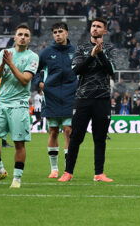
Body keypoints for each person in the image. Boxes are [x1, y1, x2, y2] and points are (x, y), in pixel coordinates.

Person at [59, 18, 117, 183]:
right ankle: (68, 172)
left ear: (105, 31)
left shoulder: (110, 49)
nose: (95, 29)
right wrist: (91, 56)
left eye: (99, 26)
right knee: (76, 136)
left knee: (100, 138)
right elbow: (76, 70)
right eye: (93, 26)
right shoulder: (82, 48)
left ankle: (99, 174)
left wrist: (100, 54)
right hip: (83, 98)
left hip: (102, 99)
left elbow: (111, 70)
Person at [0, 24, 39, 189]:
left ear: (29, 39)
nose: (22, 37)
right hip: (2, 102)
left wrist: (11, 64)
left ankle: (17, 178)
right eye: (20, 34)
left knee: (19, 143)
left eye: (26, 35)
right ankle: (0, 171)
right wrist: (3, 64)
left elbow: (24, 80)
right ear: (14, 37)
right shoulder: (4, 53)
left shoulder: (33, 57)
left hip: (19, 105)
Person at [35, 22, 78, 179]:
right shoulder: (46, 53)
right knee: (53, 131)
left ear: (67, 33)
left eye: (60, 31)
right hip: (51, 95)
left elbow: (83, 70)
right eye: (55, 32)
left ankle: (67, 169)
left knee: (68, 130)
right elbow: (35, 70)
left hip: (70, 95)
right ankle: (54, 169)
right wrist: (39, 83)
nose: (58, 34)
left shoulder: (75, 52)